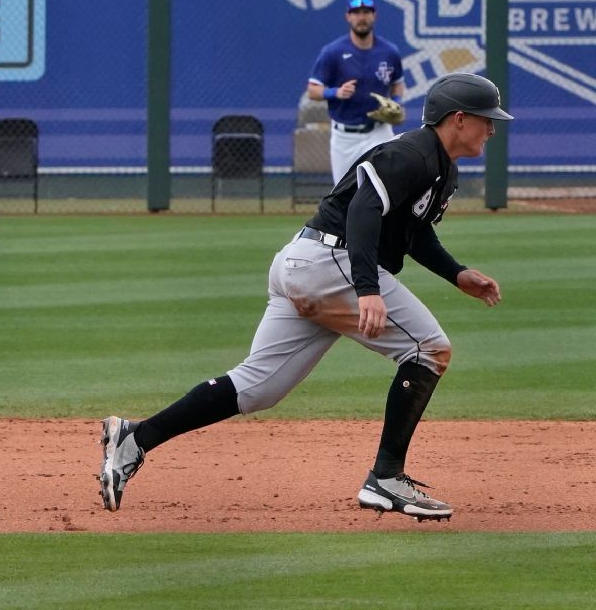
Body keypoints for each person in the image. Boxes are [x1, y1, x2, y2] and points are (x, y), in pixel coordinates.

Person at [99, 72, 512, 522]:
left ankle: (135, 438)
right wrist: (367, 290)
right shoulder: (409, 153)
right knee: (429, 349)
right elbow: (363, 210)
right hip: (328, 263)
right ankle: (386, 478)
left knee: (258, 388)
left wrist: (457, 274)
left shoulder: (442, 169)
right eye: (485, 119)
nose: (491, 129)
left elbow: (412, 232)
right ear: (458, 119)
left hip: (306, 265)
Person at [307, 0, 406, 184]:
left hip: (379, 131)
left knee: (388, 189)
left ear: (374, 15)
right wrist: (335, 92)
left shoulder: (389, 51)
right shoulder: (333, 52)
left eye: (366, 12)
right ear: (348, 16)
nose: (362, 17)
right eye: (356, 12)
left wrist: (397, 103)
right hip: (346, 136)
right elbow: (313, 90)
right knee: (344, 197)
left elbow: (398, 83)